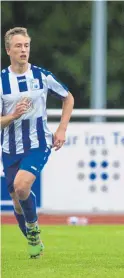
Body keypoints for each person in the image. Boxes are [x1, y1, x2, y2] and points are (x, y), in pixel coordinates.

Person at [1, 27, 74, 258]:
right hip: (10, 148)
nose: (23, 50)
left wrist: (62, 128)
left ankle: (32, 228)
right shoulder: (2, 81)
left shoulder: (41, 76)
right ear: (8, 50)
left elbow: (68, 97)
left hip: (38, 142)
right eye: (19, 46)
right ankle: (34, 240)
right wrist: (12, 116)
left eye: (26, 46)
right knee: (16, 197)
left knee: (22, 186)